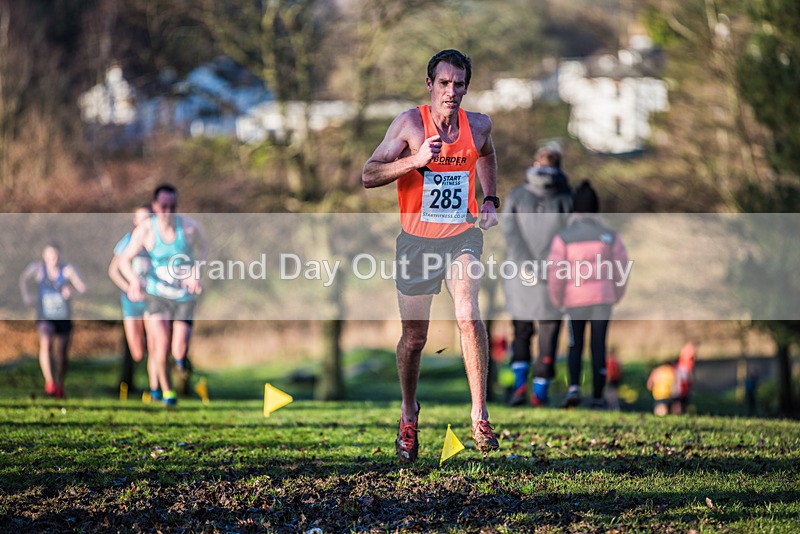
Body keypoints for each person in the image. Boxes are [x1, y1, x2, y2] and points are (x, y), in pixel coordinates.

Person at [362, 49, 500, 462]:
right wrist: (414, 160)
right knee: (415, 339)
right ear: (430, 85)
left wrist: (490, 197)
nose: (451, 92)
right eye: (444, 83)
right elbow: (369, 174)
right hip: (416, 242)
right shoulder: (409, 124)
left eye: (459, 84)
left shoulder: (479, 126)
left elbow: (488, 155)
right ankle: (409, 412)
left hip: (462, 236)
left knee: (466, 313)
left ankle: (479, 414)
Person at [117, 184, 208, 406]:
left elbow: (205, 250)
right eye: (164, 206)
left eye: (173, 206)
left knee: (178, 348)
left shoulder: (188, 228)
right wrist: (134, 280)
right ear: (156, 206)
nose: (168, 211)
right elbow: (123, 260)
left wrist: (196, 272)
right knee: (161, 343)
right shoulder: (146, 230)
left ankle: (180, 361)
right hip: (157, 295)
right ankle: (166, 391)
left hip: (184, 296)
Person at [547, 180, 629, 409]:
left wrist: (557, 298)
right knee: (599, 345)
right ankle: (598, 394)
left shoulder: (564, 236)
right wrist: (616, 293)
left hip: (574, 300)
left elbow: (556, 271)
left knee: (576, 344)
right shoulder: (610, 236)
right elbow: (622, 268)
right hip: (603, 298)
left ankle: (574, 387)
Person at [501, 146, 572, 406]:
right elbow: (569, 238)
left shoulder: (517, 195)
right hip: (555, 274)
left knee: (521, 330)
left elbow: (509, 232)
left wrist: (524, 263)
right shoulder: (567, 198)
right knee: (549, 332)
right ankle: (539, 393)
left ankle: (519, 385)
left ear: (534, 164)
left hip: (519, 272)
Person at [19, 244, 87, 399]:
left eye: (55, 256)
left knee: (62, 355)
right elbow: (23, 279)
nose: (52, 259)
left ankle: (59, 384)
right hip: (45, 317)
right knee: (46, 344)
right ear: (44, 256)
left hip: (63, 318)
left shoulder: (67, 270)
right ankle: (49, 382)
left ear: (60, 256)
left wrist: (72, 292)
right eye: (49, 256)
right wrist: (26, 296)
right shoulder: (37, 269)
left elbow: (83, 288)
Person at [108, 205, 153, 394]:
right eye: (140, 218)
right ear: (135, 221)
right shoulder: (127, 241)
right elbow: (113, 271)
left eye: (148, 218)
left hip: (152, 300)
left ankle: (156, 388)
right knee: (137, 352)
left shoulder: (157, 241)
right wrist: (128, 287)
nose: (144, 222)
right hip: (131, 301)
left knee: (157, 345)